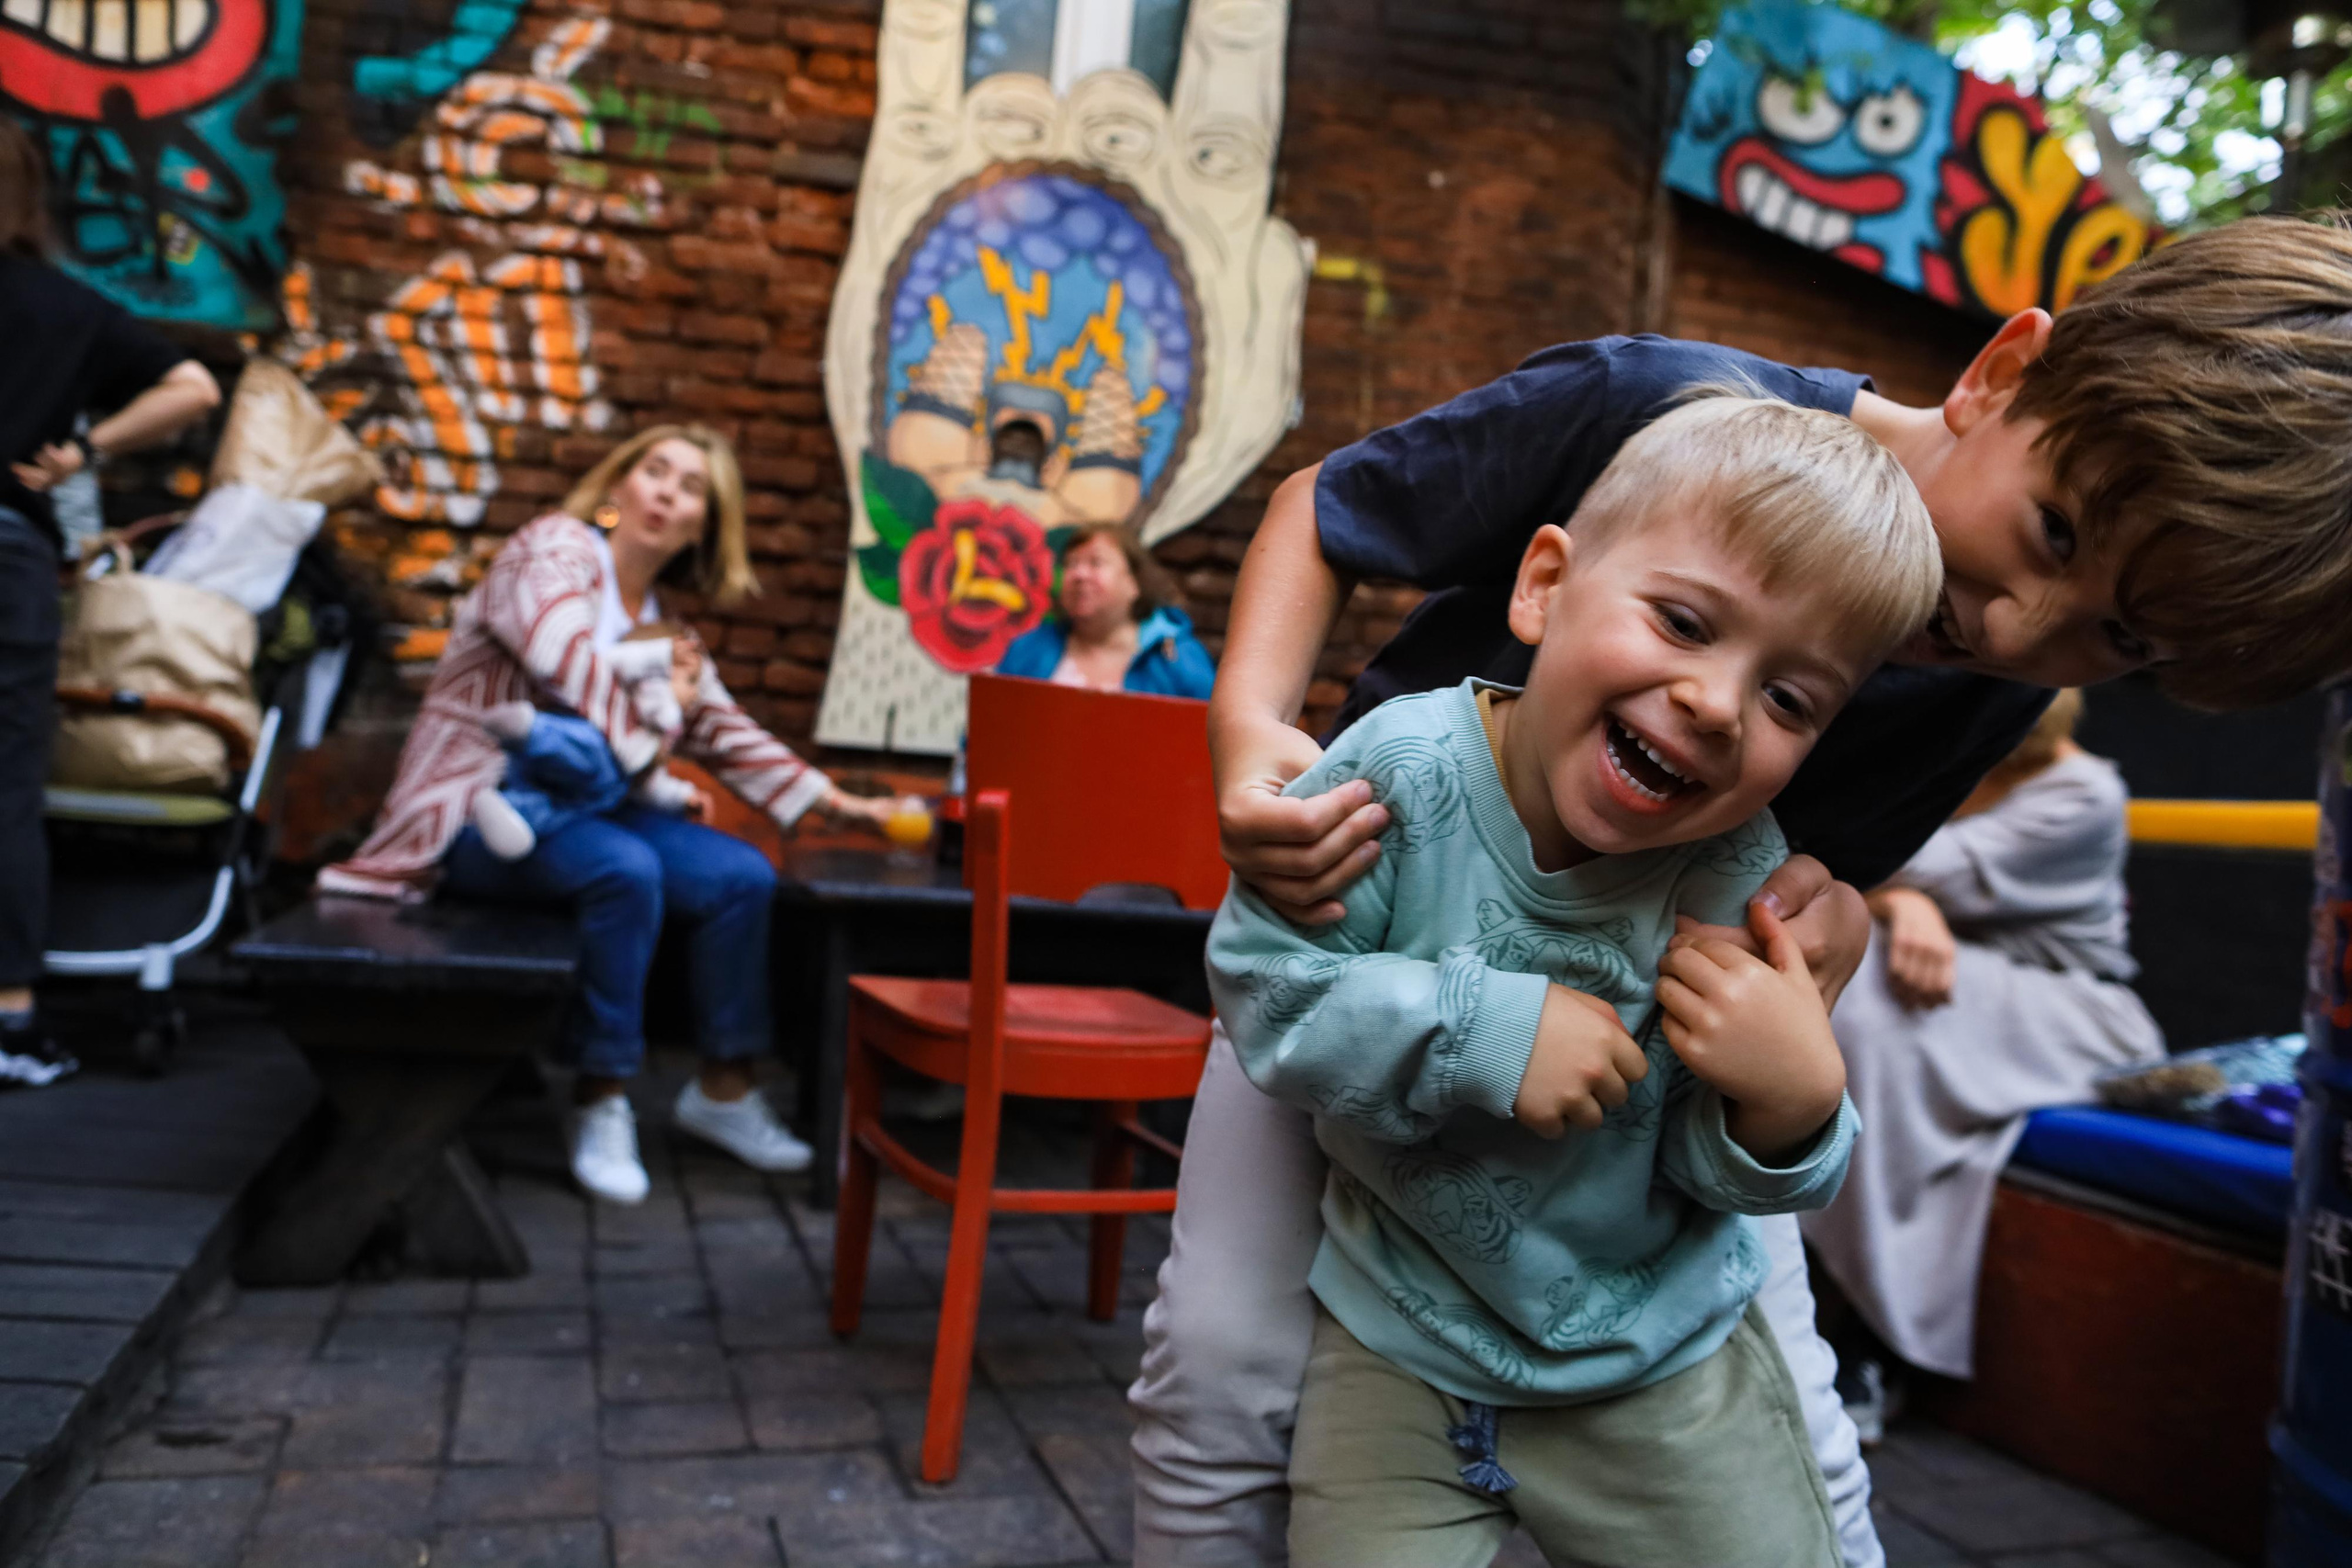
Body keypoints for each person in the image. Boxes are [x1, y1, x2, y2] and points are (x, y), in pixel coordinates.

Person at [1133, 212, 2352, 1568]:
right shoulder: (1657, 405)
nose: (2019, 626)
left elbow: (1811, 870)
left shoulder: (1998, 683)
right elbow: (1329, 508)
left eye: (2116, 635)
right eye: (2053, 530)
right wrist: (1251, 731)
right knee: (1223, 1367)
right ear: (2002, 373)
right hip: (1369, 944)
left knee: (1808, 1438)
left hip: (1635, 1058)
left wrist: (1831, 927)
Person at [1211, 393, 1938, 1566]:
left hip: (1657, 1374)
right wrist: (1480, 1031)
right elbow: (1266, 990)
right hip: (1397, 1350)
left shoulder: (1733, 879)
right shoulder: (1397, 773)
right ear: (1544, 585)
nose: (1716, 704)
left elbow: (1708, 1170)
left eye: (1788, 699)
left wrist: (1793, 1103)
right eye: (1684, 623)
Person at [320, 425, 894, 1203]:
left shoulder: (664, 628)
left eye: (691, 488)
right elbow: (560, 653)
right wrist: (650, 753)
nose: (666, 492)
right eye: (654, 471)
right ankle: (601, 1093)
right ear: (618, 485)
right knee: (625, 870)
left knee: (740, 876)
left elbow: (723, 728)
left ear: (704, 525)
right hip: (478, 810)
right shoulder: (554, 549)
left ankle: (723, 1090)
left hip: (588, 813)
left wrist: (839, 802)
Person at [1801, 689, 2161, 1424]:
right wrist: (1899, 905)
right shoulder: (1941, 753)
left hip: (2074, 1012)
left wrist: (1896, 898)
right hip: (1949, 992)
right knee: (1858, 979)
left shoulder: (2085, 791)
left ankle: (1874, 1332)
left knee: (1865, 985)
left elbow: (1879, 854)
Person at [0, 120, 222, 1069]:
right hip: (9, 553)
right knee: (7, 786)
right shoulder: (67, 305)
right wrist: (85, 450)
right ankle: (9, 1016)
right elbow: (194, 388)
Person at [468, 628, 705, 862]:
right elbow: (613, 660)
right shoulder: (623, 697)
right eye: (691, 680)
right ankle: (531, 730)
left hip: (590, 787)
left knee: (572, 805)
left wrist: (682, 796)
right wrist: (661, 654)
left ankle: (516, 813)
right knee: (587, 750)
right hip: (567, 750)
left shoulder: (659, 737)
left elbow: (650, 784)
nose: (696, 694)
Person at [997, 523, 1216, 697]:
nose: (1079, 574)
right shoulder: (1029, 648)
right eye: (1071, 564)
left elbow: (1206, 732)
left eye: (1096, 563)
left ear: (1134, 583)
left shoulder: (1176, 657)